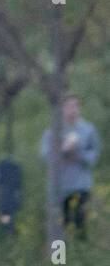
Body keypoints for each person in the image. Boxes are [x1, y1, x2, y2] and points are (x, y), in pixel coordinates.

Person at [41, 95, 101, 240]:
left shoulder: (88, 130)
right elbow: (45, 156)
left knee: (80, 223)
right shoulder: (52, 132)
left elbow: (95, 154)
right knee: (58, 226)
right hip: (58, 187)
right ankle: (58, 260)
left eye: (75, 106)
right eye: (68, 106)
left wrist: (79, 155)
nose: (72, 110)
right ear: (62, 109)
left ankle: (79, 258)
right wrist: (62, 150)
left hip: (81, 185)